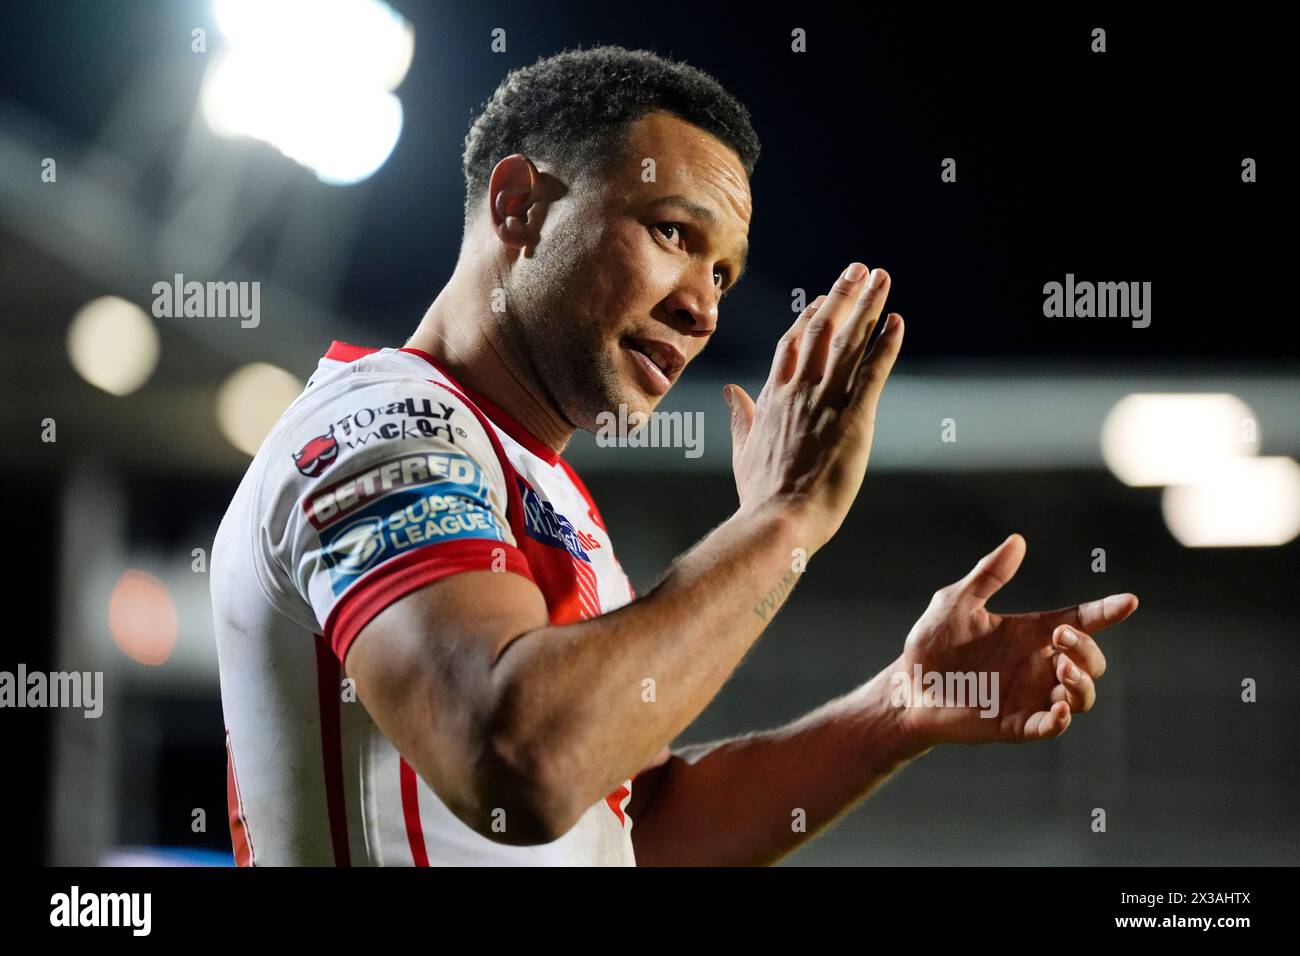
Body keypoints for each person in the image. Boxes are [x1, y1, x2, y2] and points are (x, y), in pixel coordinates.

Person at [211, 45, 1138, 866]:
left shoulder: (551, 493)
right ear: (520, 206)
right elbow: (517, 766)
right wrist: (786, 520)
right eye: (673, 234)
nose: (706, 307)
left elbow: (635, 824)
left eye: (725, 272)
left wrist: (898, 707)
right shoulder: (382, 429)